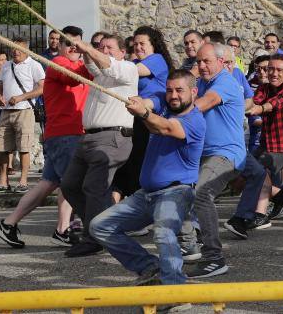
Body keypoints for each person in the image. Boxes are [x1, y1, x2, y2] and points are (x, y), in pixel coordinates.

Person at [90, 69, 205, 297]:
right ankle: (150, 268)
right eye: (170, 90)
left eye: (180, 91)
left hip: (176, 192)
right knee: (99, 226)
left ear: (194, 92)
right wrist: (140, 103)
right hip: (147, 194)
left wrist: (143, 113)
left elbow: (166, 127)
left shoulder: (195, 120)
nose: (173, 95)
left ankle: (174, 293)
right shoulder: (165, 103)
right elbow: (150, 102)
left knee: (163, 233)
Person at [0, 26, 88, 250]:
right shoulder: (59, 64)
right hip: (65, 134)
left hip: (64, 133)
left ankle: (9, 224)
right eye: (68, 43)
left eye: (77, 43)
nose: (73, 47)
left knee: (48, 184)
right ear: (60, 47)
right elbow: (76, 78)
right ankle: (84, 230)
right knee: (73, 184)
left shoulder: (78, 64)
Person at [60, 33, 139, 258]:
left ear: (122, 52)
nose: (104, 51)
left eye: (110, 47)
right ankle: (104, 227)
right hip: (89, 138)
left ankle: (94, 238)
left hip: (112, 138)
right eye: (101, 47)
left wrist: (88, 48)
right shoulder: (101, 74)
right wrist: (83, 51)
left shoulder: (128, 69)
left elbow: (107, 65)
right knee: (70, 185)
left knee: (93, 188)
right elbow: (94, 65)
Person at [181, 43, 246, 278]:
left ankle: (214, 258)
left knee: (201, 191)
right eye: (198, 61)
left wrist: (174, 115)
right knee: (177, 190)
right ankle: (189, 245)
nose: (201, 66)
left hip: (227, 154)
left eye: (206, 61)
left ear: (221, 62)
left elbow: (203, 104)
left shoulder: (224, 82)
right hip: (203, 154)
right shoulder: (203, 83)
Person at [225, 54, 283, 237]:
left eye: (279, 70)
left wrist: (260, 109)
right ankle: (281, 195)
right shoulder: (264, 87)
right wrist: (237, 106)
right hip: (267, 145)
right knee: (240, 171)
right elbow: (253, 100)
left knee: (259, 171)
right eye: (271, 69)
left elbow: (277, 102)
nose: (274, 73)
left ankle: (256, 216)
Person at [112, 26, 173, 200]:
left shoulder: (156, 59)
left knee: (140, 163)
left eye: (142, 43)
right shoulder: (135, 63)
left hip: (150, 118)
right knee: (128, 165)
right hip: (135, 117)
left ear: (153, 45)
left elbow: (133, 73)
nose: (138, 47)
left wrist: (109, 64)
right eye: (136, 44)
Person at [0, 36, 45, 193]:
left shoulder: (34, 65)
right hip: (6, 111)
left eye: (18, 48)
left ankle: (23, 181)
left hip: (24, 110)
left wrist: (21, 97)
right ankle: (3, 181)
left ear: (26, 49)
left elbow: (42, 88)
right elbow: (0, 85)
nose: (15, 51)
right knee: (0, 147)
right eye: (13, 47)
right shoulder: (7, 66)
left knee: (24, 147)